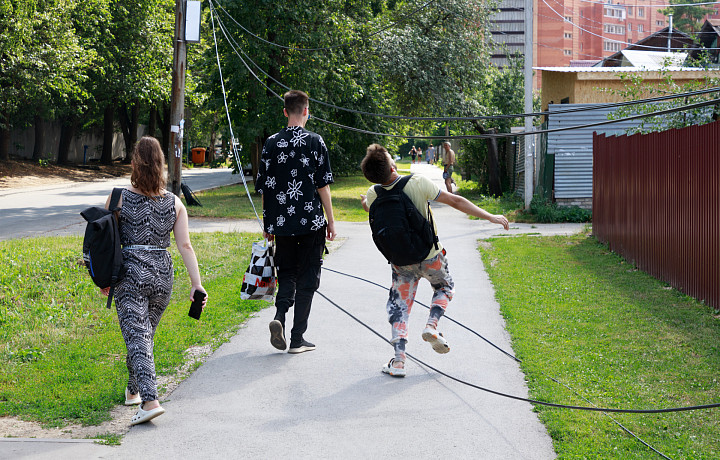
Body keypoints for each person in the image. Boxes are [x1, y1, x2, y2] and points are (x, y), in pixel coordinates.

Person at [359, 144, 508, 377]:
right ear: (392, 166)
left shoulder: (372, 193)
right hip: (430, 256)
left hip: (400, 262)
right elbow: (456, 201)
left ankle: (398, 362)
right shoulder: (417, 182)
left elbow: (373, 210)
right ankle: (431, 325)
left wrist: (366, 204)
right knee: (445, 287)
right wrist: (490, 216)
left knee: (400, 306)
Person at [104, 136, 207, 425]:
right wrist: (195, 283)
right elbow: (185, 246)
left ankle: (150, 401)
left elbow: (105, 245)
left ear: (134, 163)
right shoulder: (174, 202)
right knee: (141, 335)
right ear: (161, 165)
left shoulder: (117, 198)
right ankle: (133, 390)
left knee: (138, 336)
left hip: (130, 275)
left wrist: (102, 279)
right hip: (162, 275)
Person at [255, 89, 336, 354]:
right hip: (311, 222)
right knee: (308, 276)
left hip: (281, 223)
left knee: (287, 272)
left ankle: (279, 315)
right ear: (306, 111)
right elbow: (322, 185)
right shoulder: (315, 142)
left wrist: (268, 224)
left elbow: (266, 188)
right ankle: (298, 339)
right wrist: (331, 221)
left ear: (285, 111)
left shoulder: (270, 143)